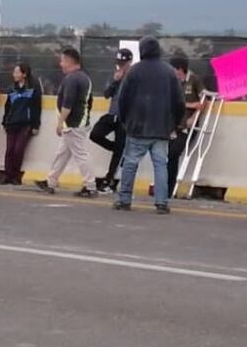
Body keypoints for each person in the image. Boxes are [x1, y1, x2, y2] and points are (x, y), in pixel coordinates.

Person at [113, 37, 186, 214]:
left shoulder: (133, 71)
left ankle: (124, 199)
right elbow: (179, 102)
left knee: (130, 163)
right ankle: (162, 202)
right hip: (162, 127)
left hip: (137, 126)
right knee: (161, 164)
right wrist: (174, 124)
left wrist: (124, 120)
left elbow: (122, 100)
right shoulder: (169, 72)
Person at [34, 48, 96, 198]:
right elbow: (89, 101)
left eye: (62, 61)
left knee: (80, 154)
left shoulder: (71, 79)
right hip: (79, 122)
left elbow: (67, 103)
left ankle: (90, 185)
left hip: (73, 124)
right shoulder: (84, 78)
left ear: (69, 61)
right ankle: (51, 181)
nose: (60, 64)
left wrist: (60, 122)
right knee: (62, 154)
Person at [91, 49, 132, 193]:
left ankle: (110, 179)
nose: (121, 67)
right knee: (95, 134)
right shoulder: (115, 76)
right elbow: (106, 94)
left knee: (119, 151)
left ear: (129, 63)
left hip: (125, 118)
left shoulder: (133, 76)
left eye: (123, 64)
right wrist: (116, 81)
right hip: (112, 114)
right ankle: (116, 148)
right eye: (119, 64)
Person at [166, 53, 205, 191]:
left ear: (180, 69)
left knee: (173, 152)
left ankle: (169, 187)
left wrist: (193, 117)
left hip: (187, 125)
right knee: (165, 152)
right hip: (173, 124)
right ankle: (165, 185)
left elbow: (202, 102)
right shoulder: (172, 82)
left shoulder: (194, 79)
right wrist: (188, 105)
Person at [0, 61, 42, 185]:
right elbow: (8, 107)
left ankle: (15, 175)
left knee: (19, 149)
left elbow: (36, 107)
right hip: (12, 123)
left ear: (24, 74)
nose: (14, 74)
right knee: (10, 150)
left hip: (25, 123)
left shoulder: (32, 89)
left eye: (17, 72)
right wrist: (4, 121)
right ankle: (7, 175)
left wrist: (35, 125)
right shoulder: (12, 89)